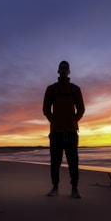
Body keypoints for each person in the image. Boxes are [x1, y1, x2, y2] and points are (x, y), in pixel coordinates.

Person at [43, 61, 85, 198]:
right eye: (61, 68)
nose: (63, 69)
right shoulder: (51, 89)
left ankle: (74, 189)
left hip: (71, 132)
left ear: (69, 71)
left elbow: (81, 109)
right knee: (55, 162)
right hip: (56, 133)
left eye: (66, 68)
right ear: (58, 71)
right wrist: (54, 121)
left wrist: (73, 121)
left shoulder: (75, 89)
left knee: (73, 162)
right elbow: (46, 109)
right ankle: (55, 187)